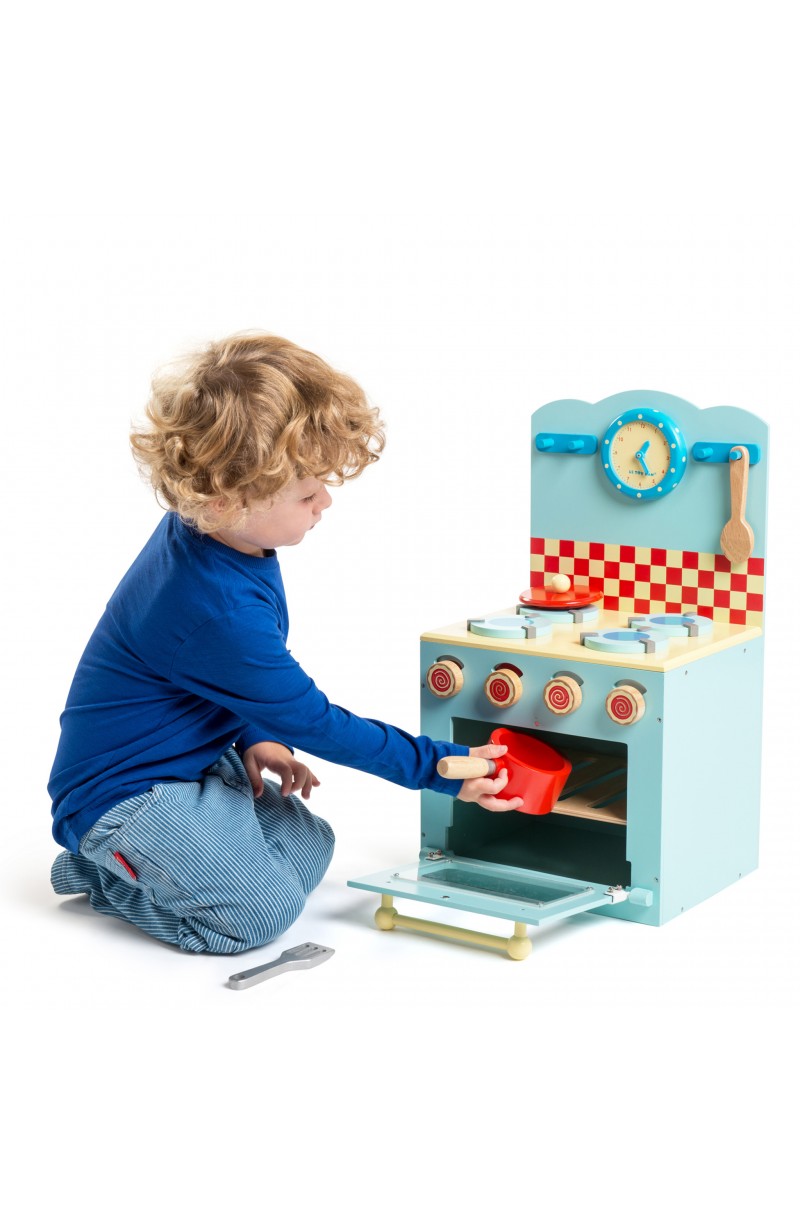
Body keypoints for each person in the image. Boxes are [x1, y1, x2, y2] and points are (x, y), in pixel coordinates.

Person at [48, 333, 521, 954]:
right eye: (306, 493)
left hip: (192, 760)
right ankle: (102, 873)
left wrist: (253, 734)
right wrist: (437, 768)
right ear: (224, 500)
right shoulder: (215, 607)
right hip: (123, 797)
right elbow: (313, 720)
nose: (325, 501)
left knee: (312, 845)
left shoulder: (216, 531)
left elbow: (214, 676)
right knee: (258, 915)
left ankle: (170, 861)